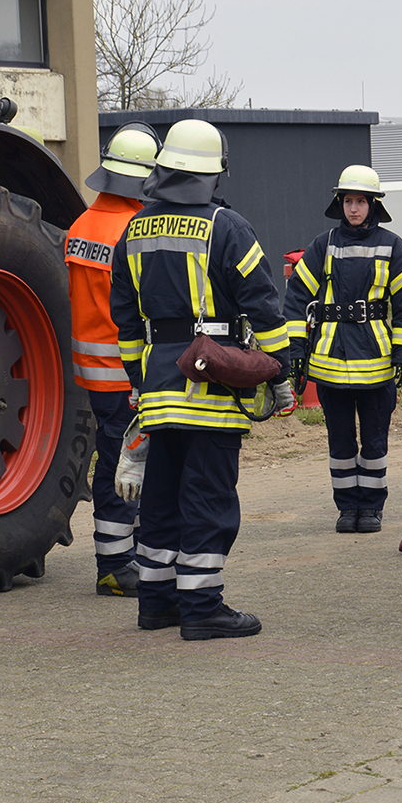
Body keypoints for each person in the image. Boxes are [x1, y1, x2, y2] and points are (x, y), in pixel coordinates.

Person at [109, 118, 294, 640]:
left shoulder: (134, 229)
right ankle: (202, 608)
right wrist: (280, 372)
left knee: (162, 498)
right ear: (214, 175)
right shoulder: (227, 227)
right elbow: (262, 305)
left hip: (157, 388)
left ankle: (157, 603)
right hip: (212, 387)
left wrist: (139, 381)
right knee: (209, 499)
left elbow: (123, 319)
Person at [283, 165, 402, 533]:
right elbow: (297, 297)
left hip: (377, 363)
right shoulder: (323, 245)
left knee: (375, 442)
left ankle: (372, 508)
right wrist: (296, 350)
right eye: (348, 201)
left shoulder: (394, 247)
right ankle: (347, 509)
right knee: (340, 442)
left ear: (373, 204)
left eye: (361, 201)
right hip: (330, 362)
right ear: (340, 204)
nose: (354, 208)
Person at [66, 122, 158, 597]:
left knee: (113, 461)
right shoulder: (131, 232)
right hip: (127, 373)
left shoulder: (82, 226)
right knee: (127, 466)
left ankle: (123, 555)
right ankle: (117, 563)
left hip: (93, 373)